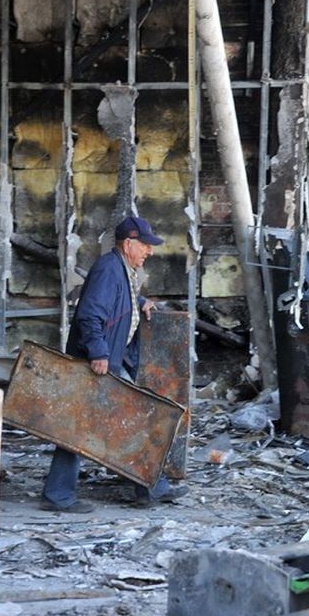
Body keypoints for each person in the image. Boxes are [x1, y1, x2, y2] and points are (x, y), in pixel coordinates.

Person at [41, 215, 188, 513]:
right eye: (146, 245)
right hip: (98, 362)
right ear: (129, 243)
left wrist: (141, 300)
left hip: (108, 360)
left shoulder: (120, 269)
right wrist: (98, 353)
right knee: (112, 424)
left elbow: (119, 299)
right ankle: (63, 495)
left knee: (99, 425)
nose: (150, 251)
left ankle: (147, 489)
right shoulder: (109, 269)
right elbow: (90, 315)